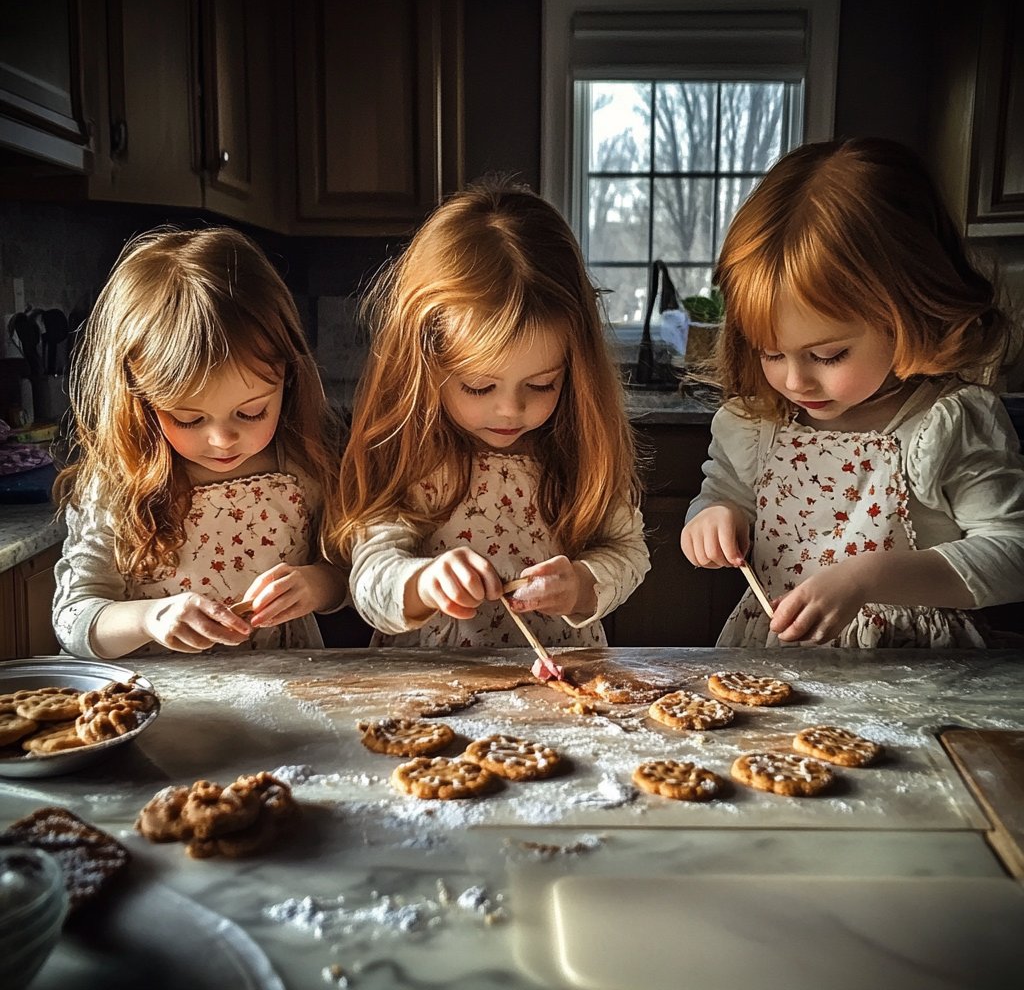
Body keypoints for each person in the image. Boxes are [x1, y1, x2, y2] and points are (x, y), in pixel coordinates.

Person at [680, 137, 1024, 649]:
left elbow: (1013, 555)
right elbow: (722, 495)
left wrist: (868, 578)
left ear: (908, 314)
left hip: (914, 672)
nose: (795, 381)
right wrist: (712, 519)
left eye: (828, 355)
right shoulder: (754, 424)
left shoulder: (945, 423)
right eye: (771, 353)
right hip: (776, 658)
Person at [331, 180, 650, 649]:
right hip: (432, 681)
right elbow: (369, 579)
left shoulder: (578, 451)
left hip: (559, 687)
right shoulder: (413, 455)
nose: (510, 409)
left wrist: (582, 583)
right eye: (478, 385)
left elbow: (629, 553)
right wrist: (423, 583)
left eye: (542, 384)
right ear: (427, 364)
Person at [52, 227, 347, 658]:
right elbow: (74, 617)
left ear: (289, 376)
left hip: (286, 690)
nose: (222, 438)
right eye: (188, 418)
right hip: (155, 701)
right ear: (139, 400)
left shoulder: (305, 465)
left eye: (251, 413)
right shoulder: (118, 485)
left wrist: (317, 586)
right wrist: (148, 619)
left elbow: (350, 575)